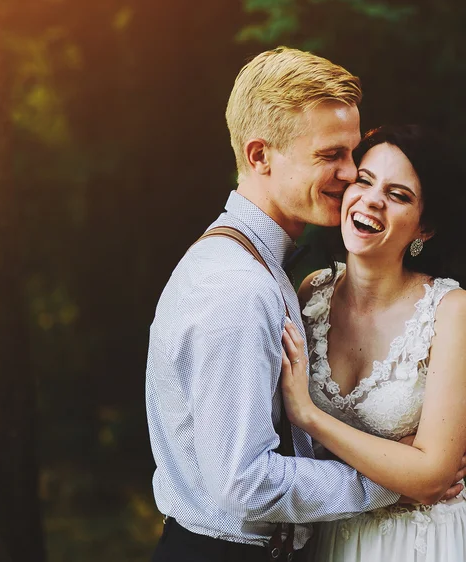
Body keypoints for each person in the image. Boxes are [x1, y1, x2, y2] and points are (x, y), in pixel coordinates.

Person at [145, 47, 465, 561]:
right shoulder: (239, 288)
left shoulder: (273, 273)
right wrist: (389, 486)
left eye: (351, 154)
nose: (349, 173)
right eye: (330, 156)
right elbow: (245, 482)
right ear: (259, 156)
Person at [281, 124, 466, 561]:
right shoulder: (312, 292)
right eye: (364, 181)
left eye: (399, 195)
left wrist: (309, 416)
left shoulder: (451, 310)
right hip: (331, 534)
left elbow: (432, 476)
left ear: (425, 228)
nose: (372, 200)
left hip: (418, 543)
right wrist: (393, 476)